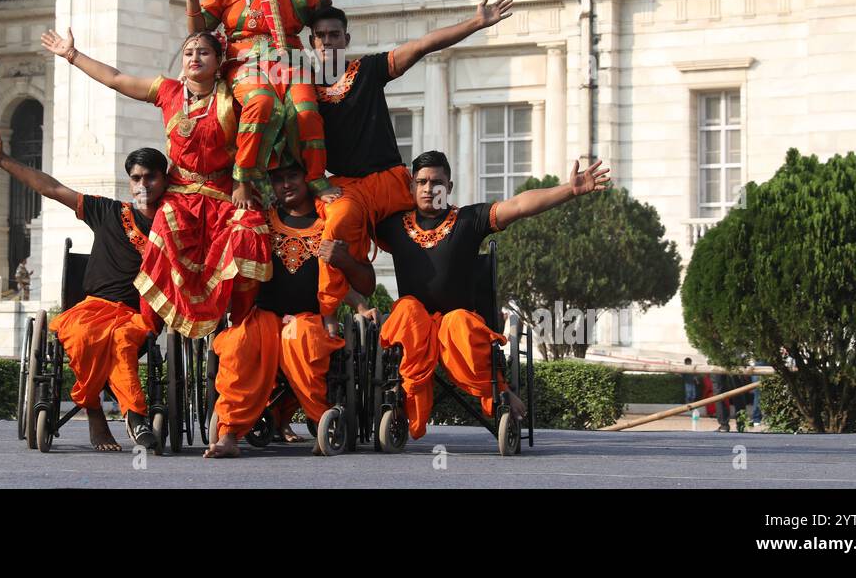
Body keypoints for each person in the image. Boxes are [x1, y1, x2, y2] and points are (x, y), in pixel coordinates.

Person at [40, 26, 271, 339]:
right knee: (161, 229)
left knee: (250, 230)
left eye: (203, 52)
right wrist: (72, 55)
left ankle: (240, 327)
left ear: (218, 61)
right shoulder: (169, 91)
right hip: (181, 195)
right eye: (189, 52)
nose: (195, 58)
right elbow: (117, 79)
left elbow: (264, 114)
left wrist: (244, 178)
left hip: (225, 192)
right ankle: (149, 326)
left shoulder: (234, 96)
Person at [376, 150, 610, 441]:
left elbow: (519, 206)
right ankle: (402, 397)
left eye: (436, 182)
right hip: (414, 328)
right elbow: (353, 224)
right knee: (406, 310)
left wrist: (569, 190)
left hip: (458, 326)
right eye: (421, 182)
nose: (428, 188)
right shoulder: (392, 225)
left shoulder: (469, 219)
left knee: (458, 322)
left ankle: (497, 390)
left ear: (448, 187)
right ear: (411, 187)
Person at [0, 131, 165, 451]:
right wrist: (1, 159)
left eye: (150, 177)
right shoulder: (108, 211)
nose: (143, 184)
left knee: (122, 339)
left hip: (137, 315)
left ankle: (135, 416)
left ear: (164, 180)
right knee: (84, 335)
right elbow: (52, 188)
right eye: (135, 177)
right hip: (93, 308)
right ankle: (100, 416)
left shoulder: (175, 225)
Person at [307, 0, 514, 272]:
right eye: (320, 36)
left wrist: (476, 23)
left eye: (334, 35)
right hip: (346, 188)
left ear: (346, 39)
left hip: (389, 184)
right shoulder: (304, 86)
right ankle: (335, 309)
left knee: (432, 229)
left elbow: (422, 45)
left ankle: (465, 282)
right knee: (336, 225)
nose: (327, 42)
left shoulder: (368, 70)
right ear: (312, 42)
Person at [205, 161, 376, 458]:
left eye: (293, 176)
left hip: (304, 318)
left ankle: (321, 418)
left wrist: (354, 288)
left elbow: (357, 282)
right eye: (278, 178)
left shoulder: (332, 223)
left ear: (308, 177)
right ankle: (228, 433)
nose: (286, 184)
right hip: (263, 316)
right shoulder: (260, 222)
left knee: (299, 340)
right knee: (237, 344)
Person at [184, 0, 345, 208]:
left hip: (291, 59)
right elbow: (198, 31)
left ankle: (315, 177)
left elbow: (316, 18)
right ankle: (243, 176)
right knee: (261, 102)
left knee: (306, 112)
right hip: (246, 60)